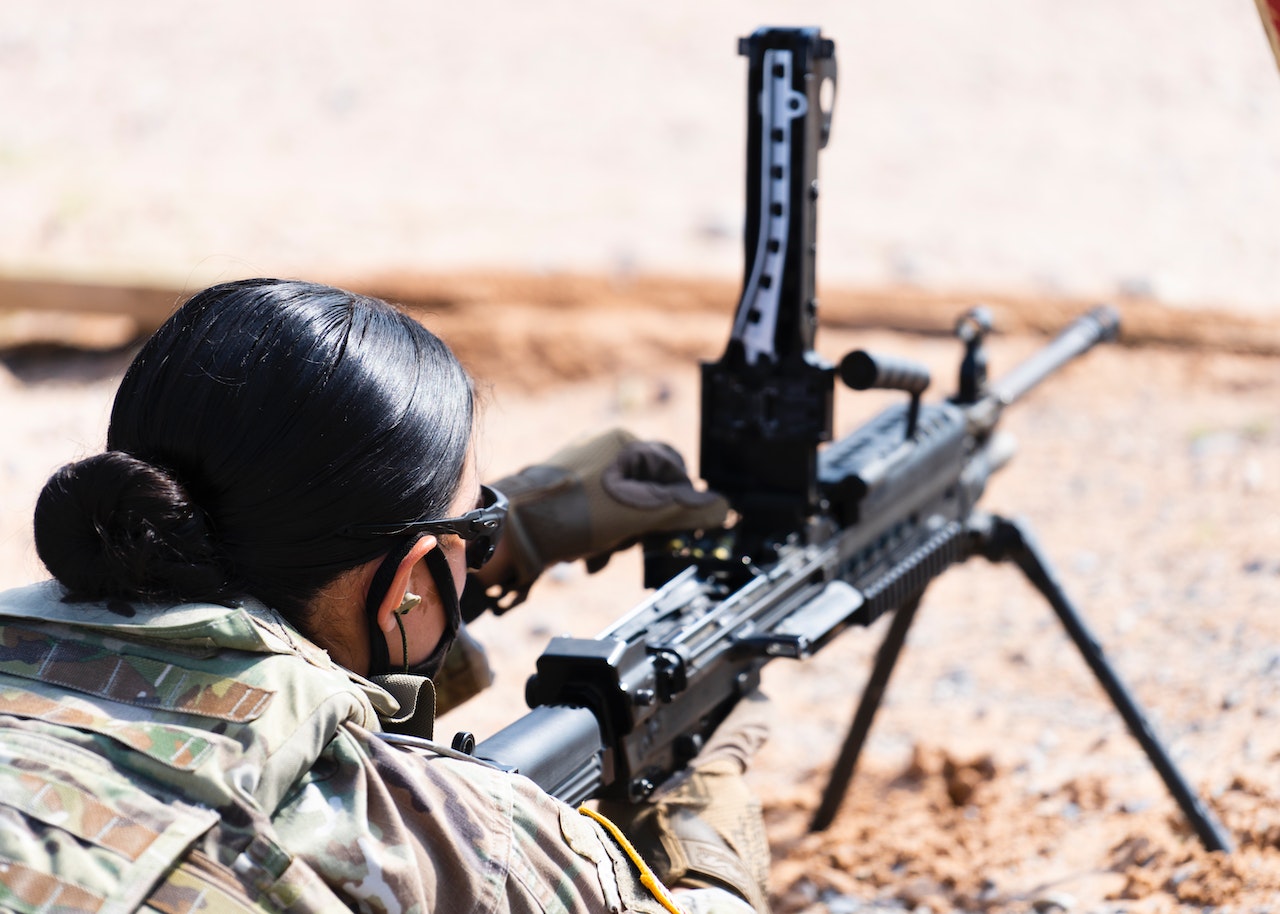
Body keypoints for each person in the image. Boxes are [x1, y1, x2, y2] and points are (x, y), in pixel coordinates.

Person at [0, 278, 772, 914]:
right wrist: (707, 825)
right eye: (480, 523)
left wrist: (493, 539)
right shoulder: (456, 835)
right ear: (410, 580)